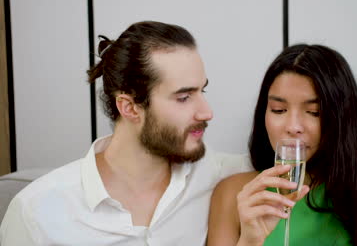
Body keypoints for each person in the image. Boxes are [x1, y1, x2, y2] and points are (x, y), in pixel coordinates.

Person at [0, 21, 251, 245]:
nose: (207, 112)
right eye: (184, 97)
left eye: (201, 92)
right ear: (129, 107)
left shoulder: (221, 176)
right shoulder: (36, 211)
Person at [207, 44, 357, 246]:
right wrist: (249, 241)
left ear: (340, 117)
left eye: (314, 112)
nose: (293, 126)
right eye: (278, 110)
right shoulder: (233, 194)